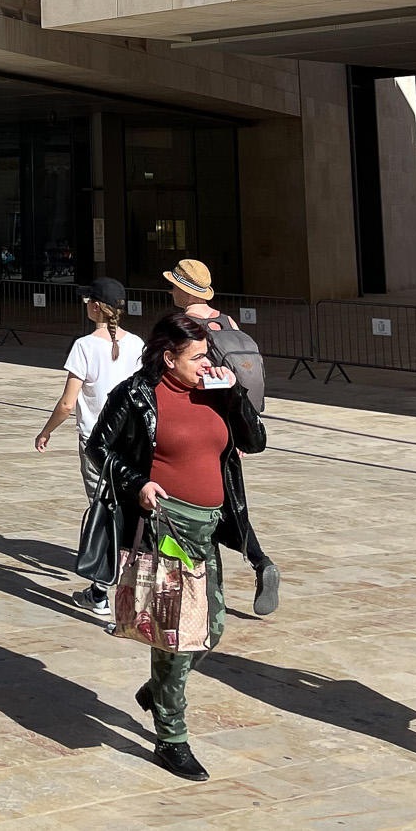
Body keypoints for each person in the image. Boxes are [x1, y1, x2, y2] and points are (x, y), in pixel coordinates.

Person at [88, 309, 265, 782]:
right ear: (168, 358)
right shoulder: (137, 394)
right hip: (169, 527)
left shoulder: (214, 391)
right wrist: (137, 483)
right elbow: (99, 448)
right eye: (198, 357)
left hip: (212, 524)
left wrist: (234, 393)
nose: (207, 363)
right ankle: (172, 738)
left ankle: (158, 690)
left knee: (214, 627)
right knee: (177, 634)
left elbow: (256, 441)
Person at [163, 257, 279, 616]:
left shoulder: (180, 327)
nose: (169, 290)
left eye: (173, 285)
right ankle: (261, 563)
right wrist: (241, 431)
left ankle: (209, 593)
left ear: (184, 290)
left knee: (197, 508)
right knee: (231, 504)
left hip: (196, 426)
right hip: (231, 427)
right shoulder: (228, 322)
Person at [35, 276, 143, 618]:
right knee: (129, 512)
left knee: (104, 514)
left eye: (88, 301)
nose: (85, 306)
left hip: (97, 443)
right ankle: (129, 584)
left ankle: (100, 591)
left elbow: (68, 403)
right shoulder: (138, 344)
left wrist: (45, 431)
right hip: (130, 442)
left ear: (97, 306)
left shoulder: (83, 346)